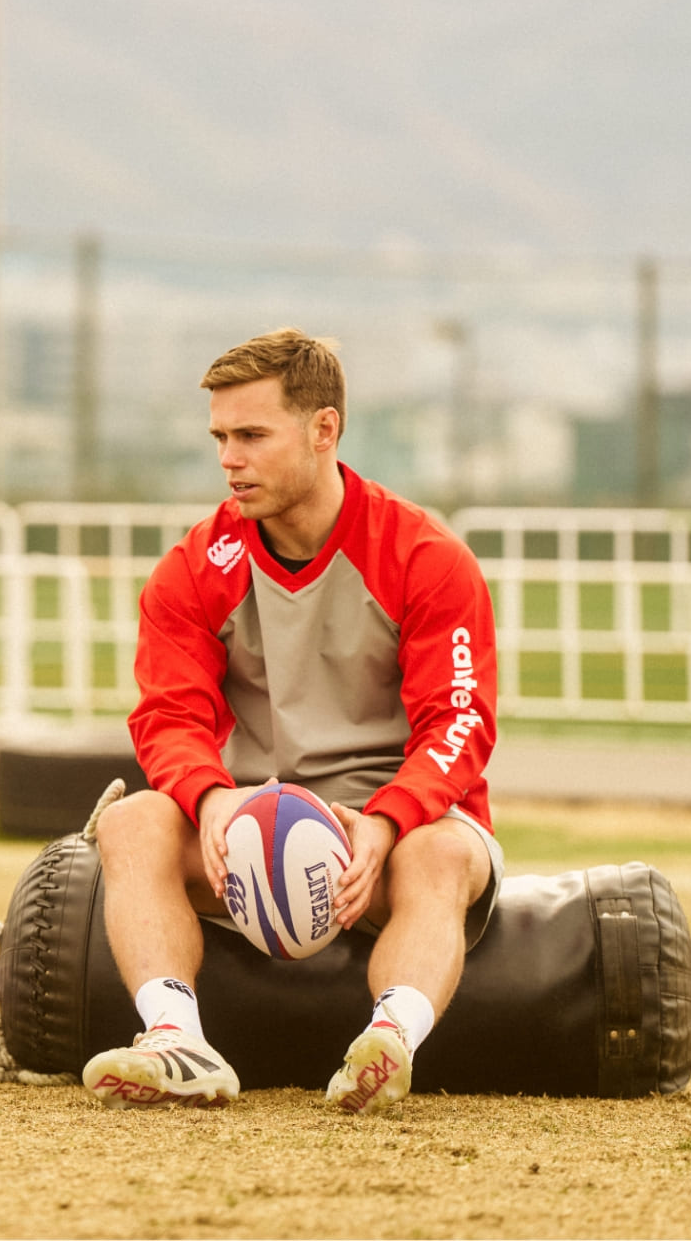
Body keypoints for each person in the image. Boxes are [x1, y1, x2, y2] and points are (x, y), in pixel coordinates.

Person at [81, 328, 503, 1114]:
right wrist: (211, 800)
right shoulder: (193, 568)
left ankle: (389, 1044)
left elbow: (459, 723)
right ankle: (176, 1042)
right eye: (219, 438)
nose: (228, 459)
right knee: (132, 821)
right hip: (245, 824)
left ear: (324, 430)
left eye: (251, 435)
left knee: (440, 857)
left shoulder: (425, 556)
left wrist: (384, 823)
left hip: (398, 824)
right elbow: (169, 714)